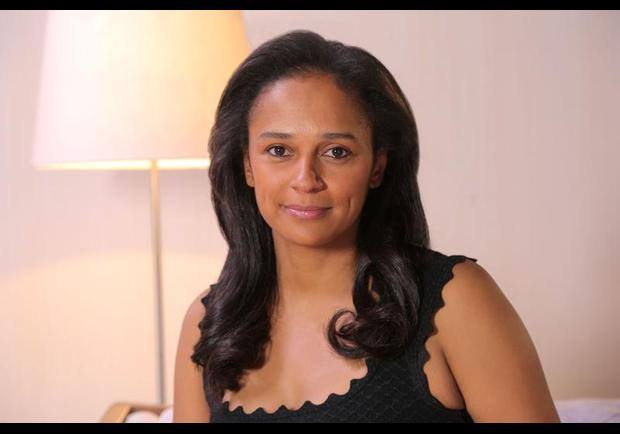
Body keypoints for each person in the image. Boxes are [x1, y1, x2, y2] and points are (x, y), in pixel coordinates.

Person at [172, 30, 560, 423]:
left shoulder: (455, 301)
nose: (306, 180)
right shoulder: (207, 324)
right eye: (279, 150)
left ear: (377, 166)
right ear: (246, 165)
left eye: (336, 152)